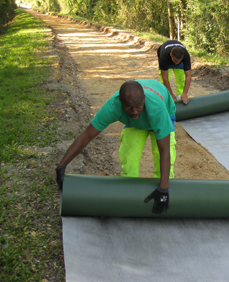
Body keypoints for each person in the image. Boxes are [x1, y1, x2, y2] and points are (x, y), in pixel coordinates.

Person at [55, 79, 176, 214]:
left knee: (164, 168)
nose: (135, 111)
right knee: (129, 159)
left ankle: (163, 198)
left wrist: (164, 190)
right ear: (121, 102)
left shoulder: (157, 108)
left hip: (161, 113)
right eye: (129, 108)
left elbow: (164, 149)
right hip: (136, 124)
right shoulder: (113, 106)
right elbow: (87, 136)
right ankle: (128, 200)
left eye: (138, 106)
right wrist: (62, 165)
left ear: (144, 100)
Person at [157, 40, 192, 105]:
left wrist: (185, 93)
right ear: (171, 55)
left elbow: (188, 76)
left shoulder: (186, 55)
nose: (177, 63)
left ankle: (180, 98)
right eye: (176, 61)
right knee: (164, 83)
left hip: (176, 57)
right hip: (166, 60)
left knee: (181, 80)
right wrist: (171, 94)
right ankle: (166, 99)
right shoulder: (164, 56)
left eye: (179, 61)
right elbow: (165, 77)